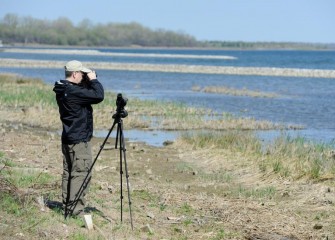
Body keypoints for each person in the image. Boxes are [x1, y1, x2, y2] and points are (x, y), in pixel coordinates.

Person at [53, 60, 104, 216]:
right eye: (82, 74)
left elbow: (85, 92)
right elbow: (98, 95)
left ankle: (68, 206)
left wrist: (88, 79)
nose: (83, 77)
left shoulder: (63, 88)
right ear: (75, 74)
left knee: (69, 172)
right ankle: (75, 211)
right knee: (81, 174)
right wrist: (94, 80)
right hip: (78, 140)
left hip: (68, 137)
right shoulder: (73, 92)